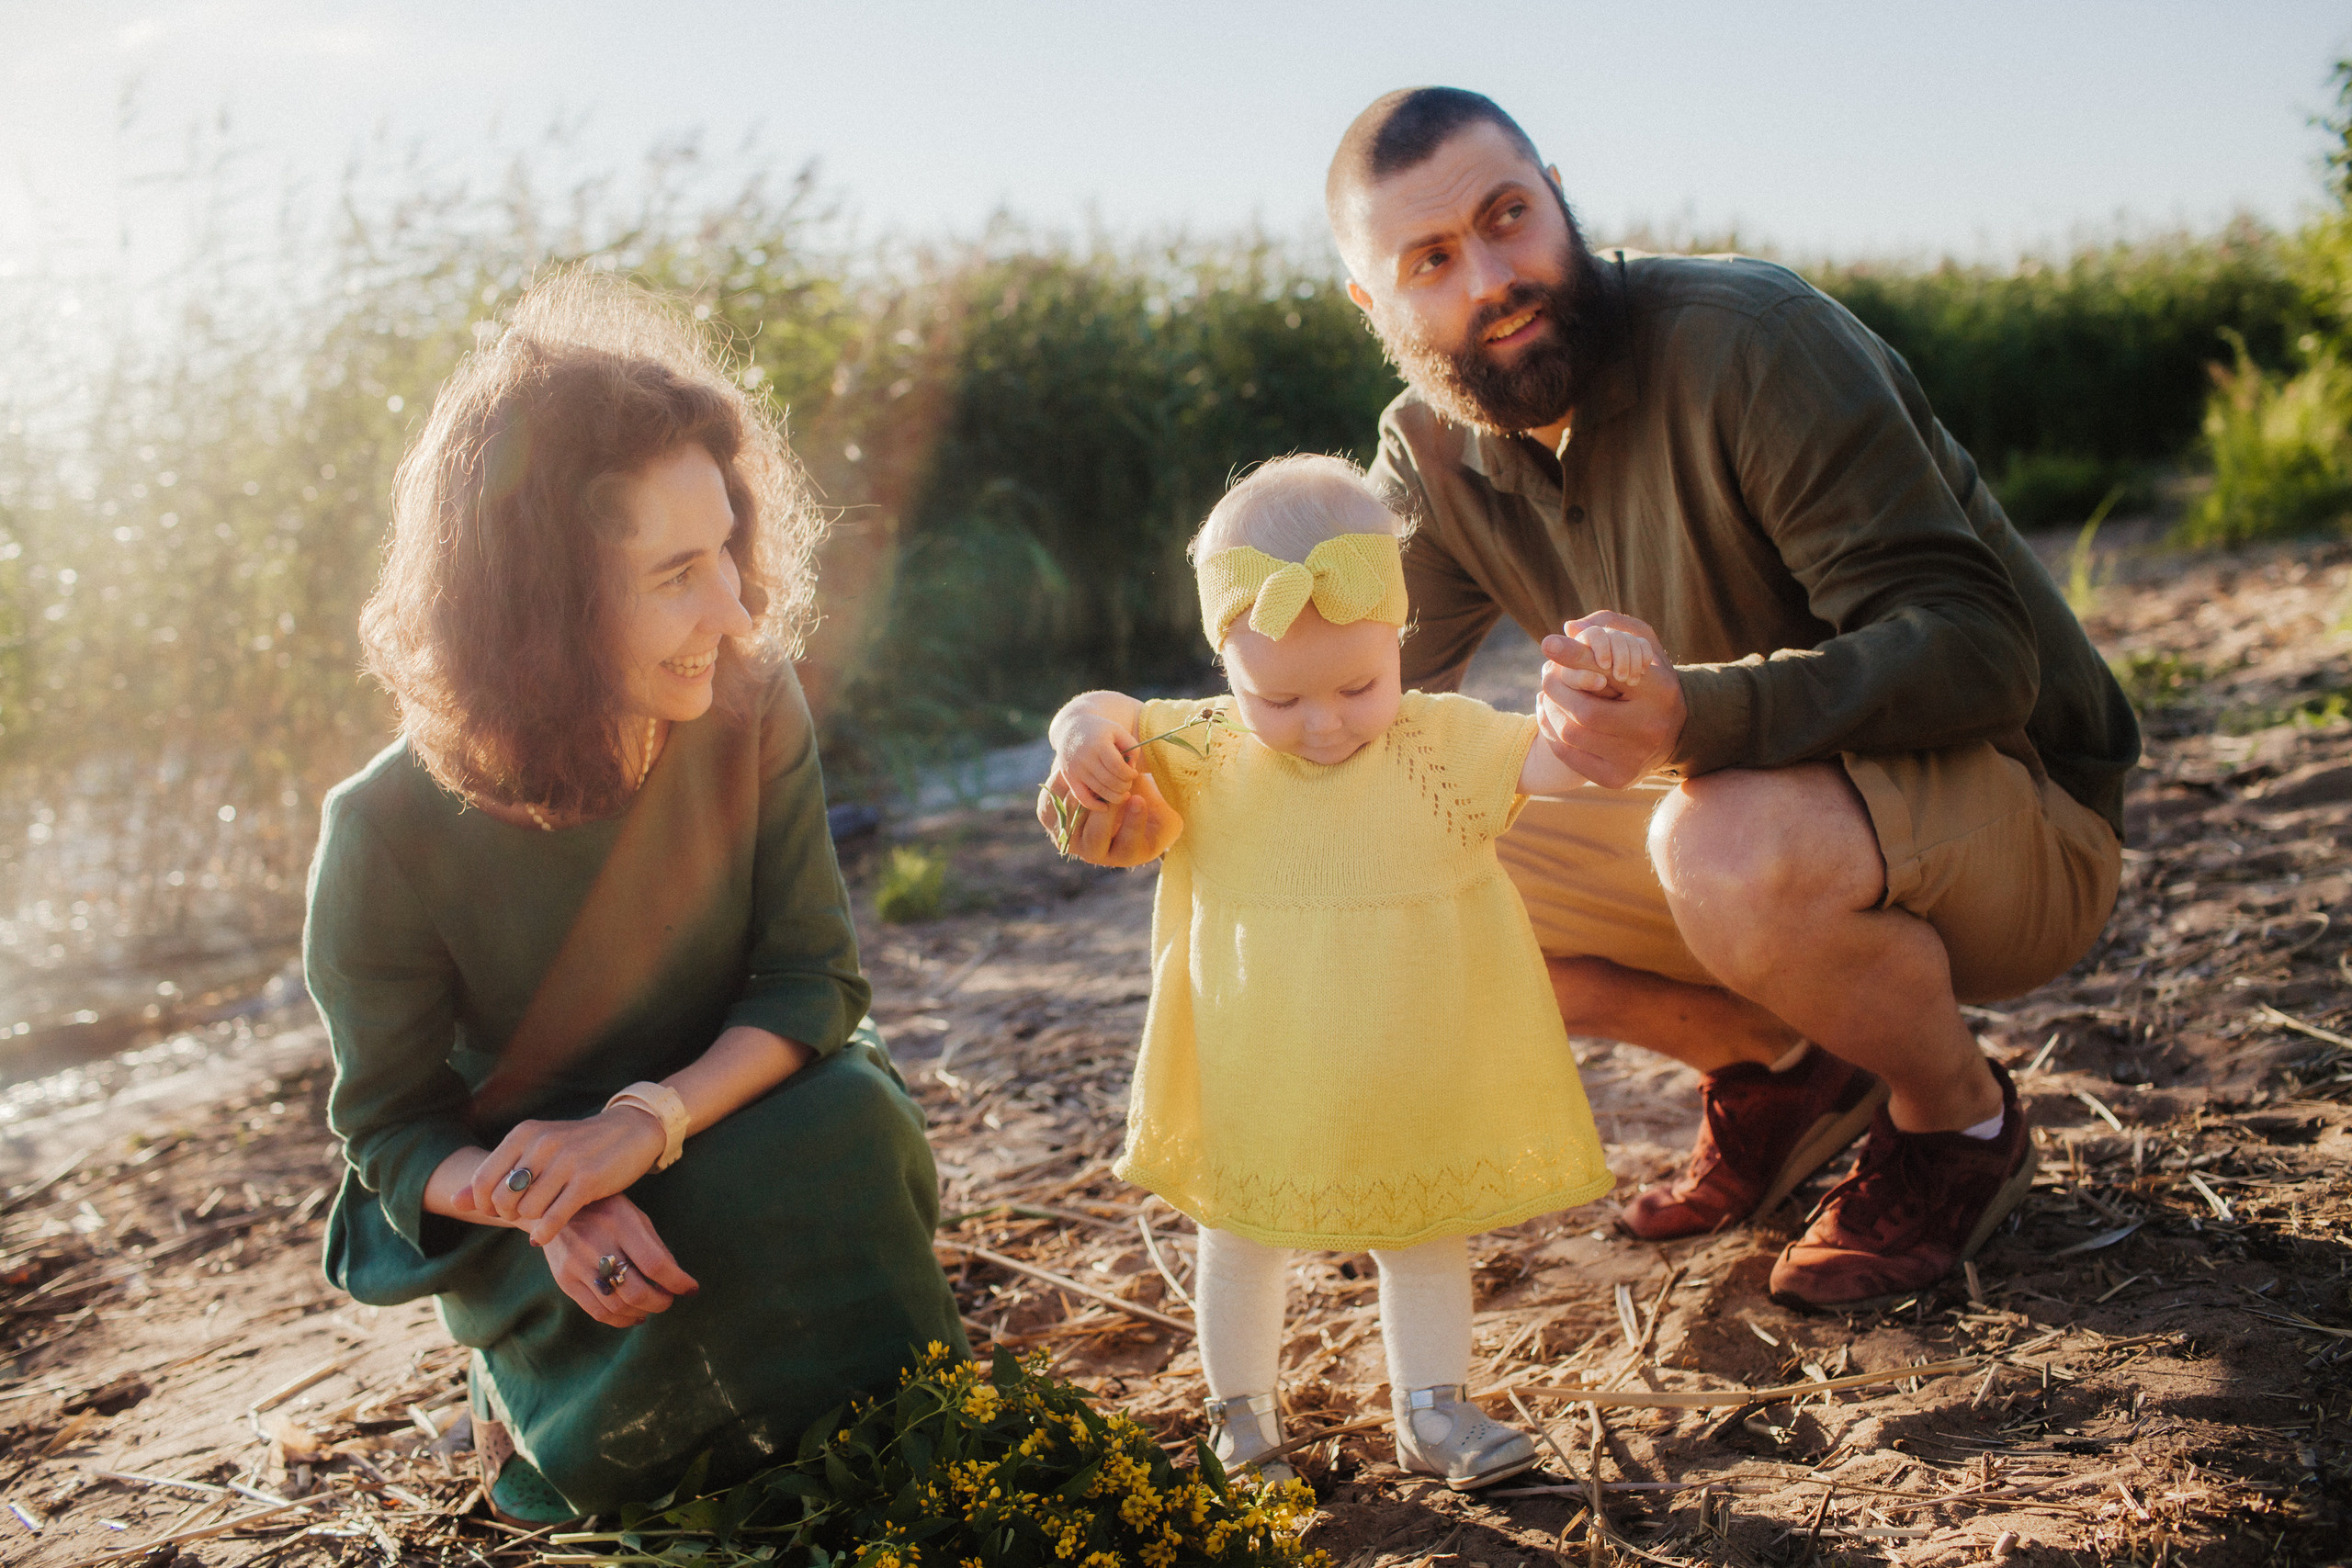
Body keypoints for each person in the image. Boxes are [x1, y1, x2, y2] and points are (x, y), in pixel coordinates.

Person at [1318, 88, 2143, 1309]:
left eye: (1510, 215)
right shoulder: (1429, 453)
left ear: (1556, 190)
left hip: (2018, 814)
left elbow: (1978, 652)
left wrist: (1694, 716)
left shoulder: (1752, 341)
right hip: (1755, 827)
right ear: (1372, 303)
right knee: (1388, 832)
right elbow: (1339, 709)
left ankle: (1955, 1119)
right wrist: (1128, 752)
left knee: (1721, 835)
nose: (1493, 276)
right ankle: (1777, 1061)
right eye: (1432, 259)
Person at [304, 269, 966, 1523]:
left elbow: (811, 980)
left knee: (851, 1126)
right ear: (538, 610)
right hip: (528, 1194)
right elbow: (392, 1132)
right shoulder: (381, 832)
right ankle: (537, 1398)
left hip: (735, 1099)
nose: (735, 605)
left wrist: (642, 1123)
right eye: (676, 574)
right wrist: (543, 1193)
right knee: (653, 1301)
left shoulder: (752, 700)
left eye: (726, 546)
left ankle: (888, 1422)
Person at [1044, 456, 1653, 1490]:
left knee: (1422, 1233)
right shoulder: (1205, 749)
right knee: (1239, 1236)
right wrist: (1080, 739)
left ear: (1397, 640)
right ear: (1225, 665)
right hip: (1256, 1061)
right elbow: (1092, 765)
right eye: (1276, 696)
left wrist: (1609, 680)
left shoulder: (1439, 749)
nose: (1324, 724)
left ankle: (1432, 1409)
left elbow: (1568, 755)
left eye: (1359, 685)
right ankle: (1240, 1418)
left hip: (1407, 1057)